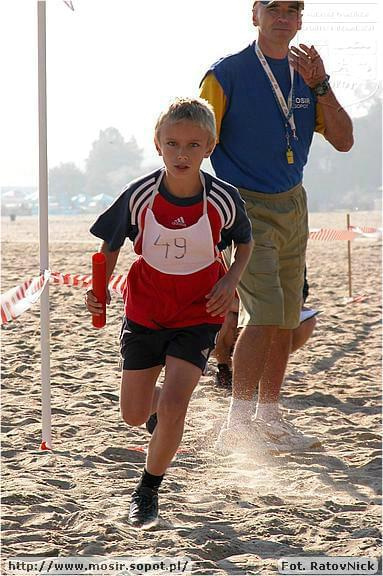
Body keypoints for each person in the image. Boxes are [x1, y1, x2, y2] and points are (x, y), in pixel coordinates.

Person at [85, 98, 253, 528]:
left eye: (193, 145)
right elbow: (110, 243)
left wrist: (230, 281)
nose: (182, 154)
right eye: (173, 143)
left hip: (199, 313)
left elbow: (245, 243)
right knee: (134, 414)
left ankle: (147, 490)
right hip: (145, 310)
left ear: (209, 147)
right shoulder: (140, 194)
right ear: (157, 144)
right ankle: (158, 415)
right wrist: (99, 291)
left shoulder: (222, 199)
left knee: (178, 403)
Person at [200, 0, 353, 452]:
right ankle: (238, 422)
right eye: (273, 7)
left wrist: (322, 86)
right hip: (244, 205)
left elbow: (344, 141)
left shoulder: (306, 76)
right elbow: (198, 139)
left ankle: (269, 416)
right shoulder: (226, 74)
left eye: (293, 8)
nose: (283, 16)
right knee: (264, 313)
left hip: (294, 203)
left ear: (301, 19)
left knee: (286, 319)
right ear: (255, 14)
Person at [214, 268, 318, 390]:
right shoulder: (232, 253)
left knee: (306, 321)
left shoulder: (287, 254)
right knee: (225, 317)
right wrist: (256, 309)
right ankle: (224, 368)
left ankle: (261, 371)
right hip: (240, 312)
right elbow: (216, 297)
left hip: (265, 312)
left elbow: (300, 292)